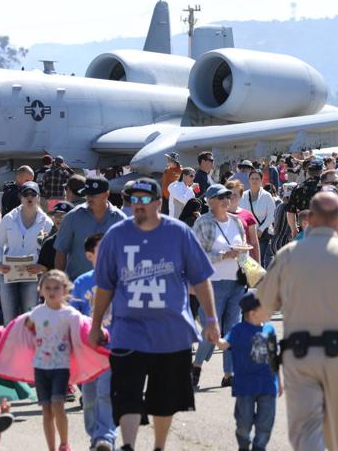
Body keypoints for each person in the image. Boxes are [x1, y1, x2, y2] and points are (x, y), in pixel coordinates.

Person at [88, 178, 219, 451]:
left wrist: (211, 319)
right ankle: (128, 445)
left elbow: (201, 278)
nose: (138, 204)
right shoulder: (116, 235)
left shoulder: (179, 233)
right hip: (128, 330)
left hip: (171, 332)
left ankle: (159, 446)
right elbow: (105, 285)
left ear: (159, 202)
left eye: (145, 199)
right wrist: (96, 324)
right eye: (133, 199)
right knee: (127, 393)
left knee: (165, 397)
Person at [255, 191, 338, 451]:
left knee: (306, 433)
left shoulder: (288, 255)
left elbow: (262, 311)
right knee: (331, 432)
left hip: (299, 357)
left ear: (310, 219)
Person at [191, 183, 250, 389]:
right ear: (210, 201)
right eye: (221, 196)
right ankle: (196, 366)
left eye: (228, 195)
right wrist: (226, 254)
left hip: (236, 282)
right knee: (211, 329)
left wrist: (244, 258)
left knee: (233, 329)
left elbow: (244, 249)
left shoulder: (237, 222)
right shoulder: (203, 222)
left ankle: (229, 374)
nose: (226, 199)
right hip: (212, 284)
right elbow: (196, 255)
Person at [69, 233, 117, 451]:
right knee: (89, 398)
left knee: (105, 394)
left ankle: (106, 438)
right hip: (88, 350)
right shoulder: (82, 282)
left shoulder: (121, 278)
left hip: (114, 347)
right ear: (90, 255)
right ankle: (96, 438)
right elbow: (73, 315)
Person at [26, 270, 81, 451]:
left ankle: (64, 444)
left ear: (65, 291)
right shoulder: (36, 313)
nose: (51, 291)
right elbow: (25, 328)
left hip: (61, 367)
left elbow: (81, 335)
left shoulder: (70, 314)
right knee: (46, 410)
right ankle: (51, 448)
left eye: (56, 287)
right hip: (40, 366)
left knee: (58, 405)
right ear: (40, 290)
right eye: (47, 287)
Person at [218, 290, 279, 451]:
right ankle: (244, 445)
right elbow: (225, 344)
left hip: (267, 384)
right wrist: (215, 338)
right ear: (252, 313)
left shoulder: (270, 329)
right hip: (245, 386)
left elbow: (274, 356)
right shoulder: (238, 330)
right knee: (244, 423)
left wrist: (280, 380)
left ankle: (259, 447)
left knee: (266, 421)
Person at [0, 181, 52, 320]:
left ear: (39, 197)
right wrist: (0, 263)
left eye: (33, 194)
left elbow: (48, 251)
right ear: (21, 197)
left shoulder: (47, 223)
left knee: (30, 319)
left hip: (32, 275)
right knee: (10, 319)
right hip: (8, 273)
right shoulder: (9, 219)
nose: (29, 198)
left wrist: (41, 267)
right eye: (26, 194)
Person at [54, 178, 126, 281]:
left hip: (110, 285)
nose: (89, 198)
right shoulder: (72, 217)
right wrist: (60, 282)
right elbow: (61, 251)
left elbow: (125, 254)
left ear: (106, 194)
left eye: (94, 195)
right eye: (87, 194)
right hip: (77, 285)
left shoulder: (120, 219)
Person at [242, 169, 279, 267]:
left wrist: (261, 229)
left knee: (259, 260)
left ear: (261, 180)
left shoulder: (267, 196)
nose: (254, 181)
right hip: (245, 233)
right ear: (249, 180)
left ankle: (260, 281)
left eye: (257, 178)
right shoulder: (243, 195)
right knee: (245, 261)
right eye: (252, 178)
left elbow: (272, 215)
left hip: (261, 234)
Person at [285, 159, 324, 235]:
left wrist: (294, 229)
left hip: (305, 228)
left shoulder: (298, 187)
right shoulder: (326, 188)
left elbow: (290, 211)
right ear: (321, 171)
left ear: (308, 172)